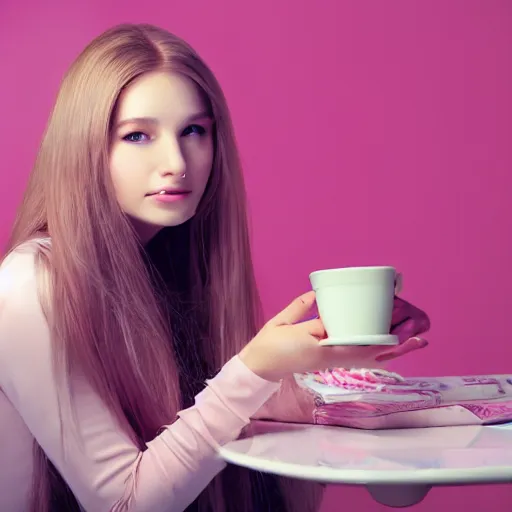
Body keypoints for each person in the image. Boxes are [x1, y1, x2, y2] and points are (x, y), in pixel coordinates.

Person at [0, 23, 430, 512]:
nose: (176, 162)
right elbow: (126, 504)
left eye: (194, 131)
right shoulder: (29, 284)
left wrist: (338, 353)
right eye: (137, 135)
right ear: (84, 149)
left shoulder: (164, 266)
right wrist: (256, 368)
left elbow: (210, 434)